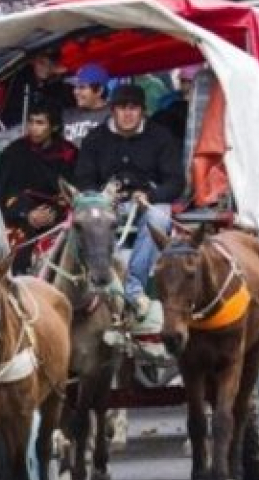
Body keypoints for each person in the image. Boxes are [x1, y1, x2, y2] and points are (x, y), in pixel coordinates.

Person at [75, 84, 183, 317]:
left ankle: (133, 287)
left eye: (133, 108)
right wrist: (102, 197)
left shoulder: (161, 137)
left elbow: (175, 181)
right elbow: (83, 179)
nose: (127, 113)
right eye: (121, 108)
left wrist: (151, 196)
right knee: (89, 220)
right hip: (106, 205)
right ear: (112, 110)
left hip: (146, 204)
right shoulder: (95, 139)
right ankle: (96, 283)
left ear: (143, 111)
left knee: (158, 217)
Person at [0, 103, 79, 272]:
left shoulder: (69, 154)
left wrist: (54, 212)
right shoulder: (14, 153)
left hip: (58, 219)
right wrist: (26, 214)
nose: (33, 128)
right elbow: (0, 190)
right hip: (18, 217)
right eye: (30, 122)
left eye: (40, 123)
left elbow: (74, 191)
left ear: (54, 127)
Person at [0, 53, 70, 128]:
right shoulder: (19, 80)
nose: (45, 67)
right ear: (32, 61)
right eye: (41, 62)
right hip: (13, 127)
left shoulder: (54, 86)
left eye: (50, 64)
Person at [62, 64, 112, 147]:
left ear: (99, 90)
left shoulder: (114, 115)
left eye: (82, 87)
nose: (75, 92)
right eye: (75, 87)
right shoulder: (67, 114)